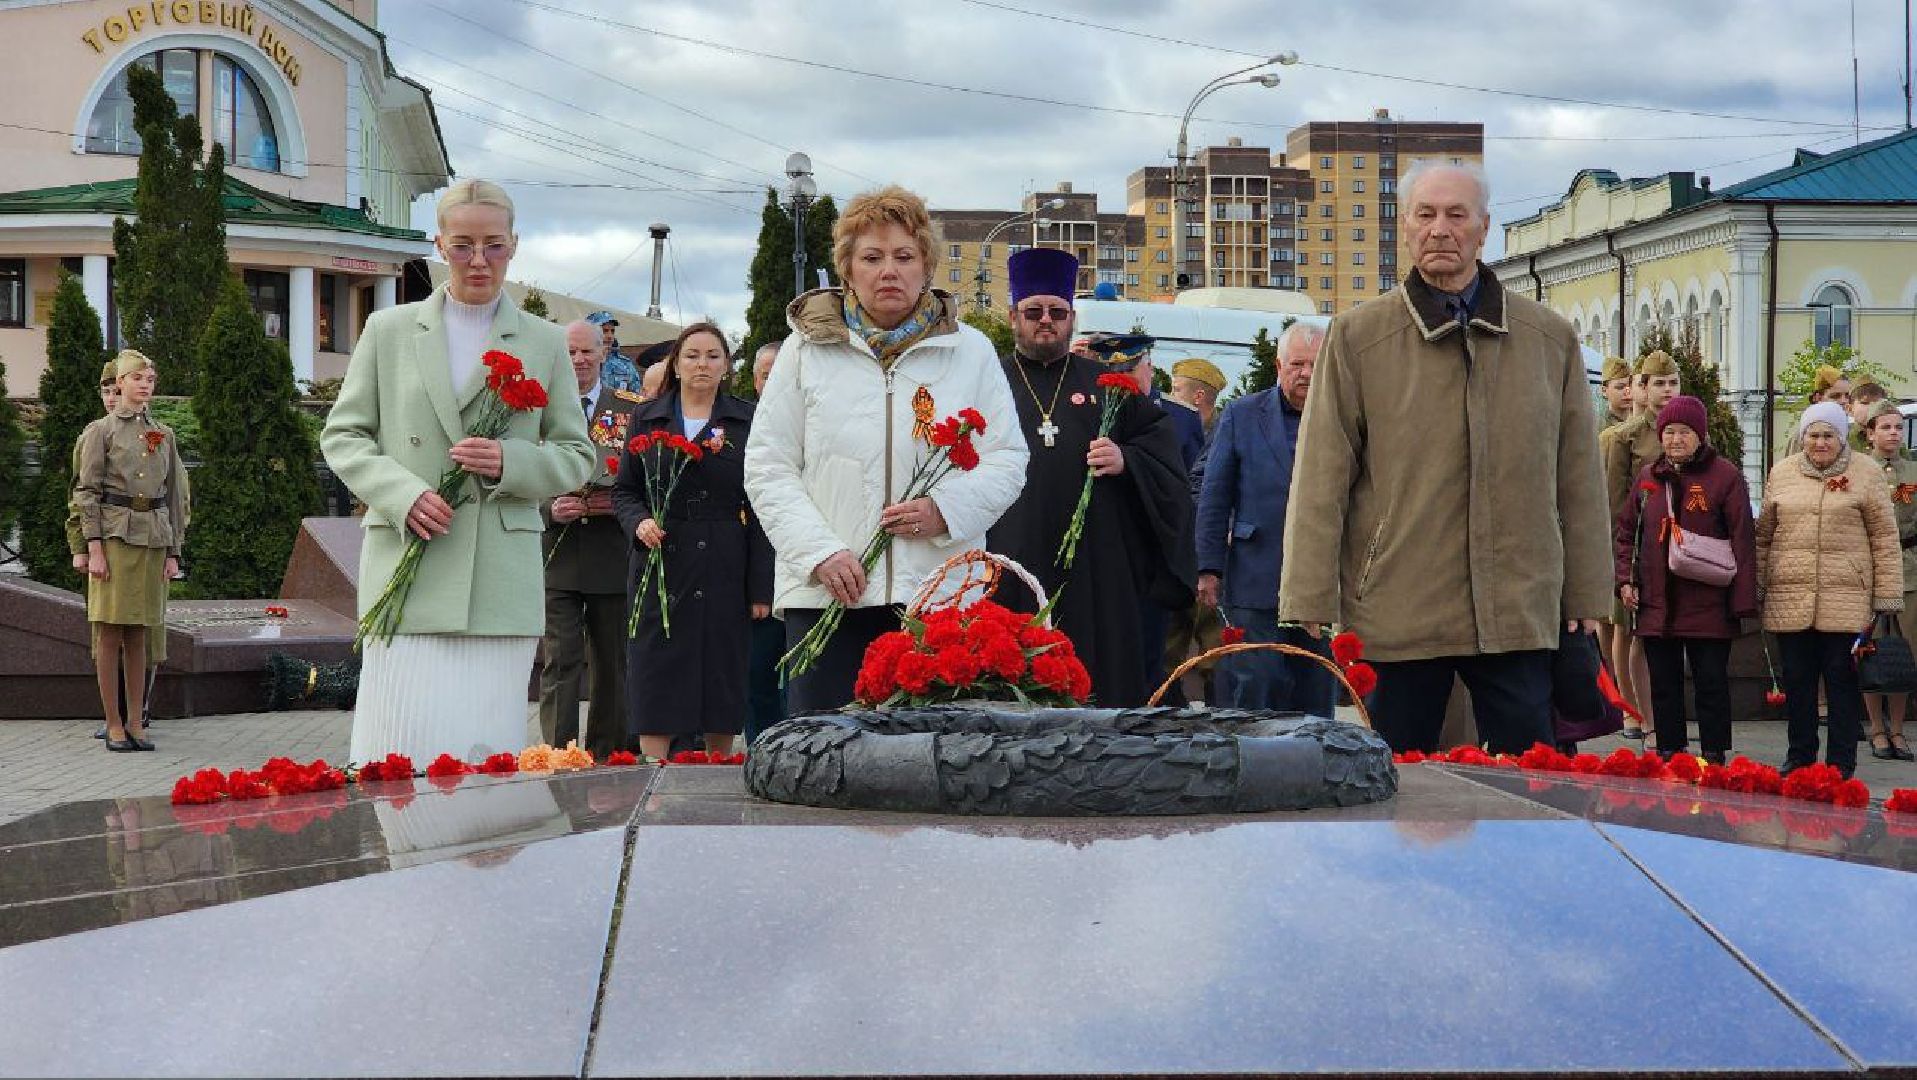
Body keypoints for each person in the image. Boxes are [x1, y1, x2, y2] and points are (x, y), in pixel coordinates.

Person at [1278, 161, 1611, 754]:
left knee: (1535, 787)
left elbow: (1579, 477)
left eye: (1456, 215)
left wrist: (1586, 592)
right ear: (1404, 227)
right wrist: (1308, 592)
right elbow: (1322, 474)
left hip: (1518, 607)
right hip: (1399, 608)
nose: (1440, 229)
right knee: (1396, 786)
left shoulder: (1547, 339)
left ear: (1483, 229)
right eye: (1425, 214)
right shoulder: (1358, 338)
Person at [322, 179, 593, 764]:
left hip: (498, 581)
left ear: (514, 245)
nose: (479, 261)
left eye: (493, 245)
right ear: (439, 246)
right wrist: (401, 494)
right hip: (408, 572)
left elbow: (577, 454)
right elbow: (343, 436)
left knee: (481, 755)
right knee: (392, 753)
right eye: (464, 244)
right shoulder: (388, 330)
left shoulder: (545, 342)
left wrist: (510, 462)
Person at [745, 185, 1028, 714]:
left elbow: (1008, 459)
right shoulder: (805, 350)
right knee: (824, 760)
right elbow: (768, 465)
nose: (889, 271)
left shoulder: (971, 351)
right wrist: (820, 552)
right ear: (848, 268)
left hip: (938, 595)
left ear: (928, 265)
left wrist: (946, 511)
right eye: (871, 257)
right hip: (830, 594)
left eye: (904, 256)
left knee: (934, 762)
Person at [986, 248, 1196, 708]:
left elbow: (1162, 455)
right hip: (1007, 565)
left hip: (1094, 574)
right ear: (1013, 317)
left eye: (1057, 312)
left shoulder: (1104, 385)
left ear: (1071, 318)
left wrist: (1127, 458)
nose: (1046, 321)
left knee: (1096, 690)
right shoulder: (987, 382)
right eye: (1034, 311)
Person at [614, 323, 771, 760]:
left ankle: (717, 771)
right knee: (656, 670)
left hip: (723, 560)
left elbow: (762, 504)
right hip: (661, 561)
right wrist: (639, 522)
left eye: (713, 356)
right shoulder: (648, 417)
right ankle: (654, 773)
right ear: (676, 365)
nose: (702, 364)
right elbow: (625, 490)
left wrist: (761, 586)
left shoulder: (746, 420)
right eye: (692, 355)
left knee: (720, 671)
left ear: (727, 366)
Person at [1756, 402, 1903, 778]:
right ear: (1802, 437)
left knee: (1841, 681)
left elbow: (1885, 538)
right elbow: (1764, 539)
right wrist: (1757, 585)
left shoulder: (1866, 473)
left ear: (1842, 438)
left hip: (1847, 597)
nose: (1820, 443)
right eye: (1813, 435)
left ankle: (1841, 763)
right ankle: (1800, 755)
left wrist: (1886, 596)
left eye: (1828, 436)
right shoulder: (1783, 472)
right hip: (1791, 595)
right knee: (1799, 682)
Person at [1197, 322, 1333, 714]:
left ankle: (1312, 767)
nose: (1306, 373)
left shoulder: (1346, 416)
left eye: (1315, 364)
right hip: (1254, 572)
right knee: (1252, 682)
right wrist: (1208, 568)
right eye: (1297, 364)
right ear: (1278, 365)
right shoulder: (1242, 414)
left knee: (1314, 686)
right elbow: (1215, 494)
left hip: (1321, 582)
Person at [1614, 396, 1758, 764]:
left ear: (1700, 435)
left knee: (1710, 681)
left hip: (1708, 602)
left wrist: (1743, 602)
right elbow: (1626, 533)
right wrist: (1624, 581)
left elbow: (1743, 539)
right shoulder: (1648, 477)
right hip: (1657, 601)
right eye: (1670, 432)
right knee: (1663, 683)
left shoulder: (1725, 476)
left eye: (1685, 432)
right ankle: (1670, 751)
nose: (1676, 439)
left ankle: (1713, 753)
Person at [73, 350, 187, 753]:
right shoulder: (100, 432)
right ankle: (114, 723)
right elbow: (86, 493)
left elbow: (172, 498)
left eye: (151, 379)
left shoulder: (164, 435)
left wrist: (174, 551)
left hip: (153, 538)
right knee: (109, 632)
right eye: (137, 377)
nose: (145, 384)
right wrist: (93, 548)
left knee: (140, 632)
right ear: (119, 383)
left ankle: (138, 722)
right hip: (115, 539)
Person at [538, 320, 642, 758]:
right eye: (571, 352)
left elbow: (643, 480)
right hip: (556, 557)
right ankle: (559, 754)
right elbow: (523, 471)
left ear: (604, 352)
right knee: (560, 660)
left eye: (587, 351)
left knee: (611, 663)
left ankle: (606, 754)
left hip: (610, 555)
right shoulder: (536, 408)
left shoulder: (632, 409)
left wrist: (618, 503)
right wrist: (548, 506)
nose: (579, 360)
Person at [1603, 349, 1680, 738]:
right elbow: (1616, 501)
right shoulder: (1626, 437)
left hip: (1678, 547)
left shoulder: (1690, 427)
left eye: (1673, 383)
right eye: (1659, 384)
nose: (1667, 391)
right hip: (1636, 545)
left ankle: (1660, 710)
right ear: (1642, 389)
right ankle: (1631, 709)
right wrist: (1622, 555)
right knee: (1626, 628)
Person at [1860, 398, 1917, 761]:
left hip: (1909, 567)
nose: (1893, 433)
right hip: (1869, 568)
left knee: (1905, 653)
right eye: (1885, 427)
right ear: (1870, 433)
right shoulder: (1860, 470)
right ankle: (1876, 729)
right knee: (1872, 650)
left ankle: (1897, 729)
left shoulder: (1913, 472)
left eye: (1898, 426)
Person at [744, 340, 787, 744]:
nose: (772, 382)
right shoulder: (741, 428)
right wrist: (759, 586)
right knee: (757, 681)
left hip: (810, 577)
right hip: (759, 584)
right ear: (756, 381)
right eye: (765, 375)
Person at [1169, 358, 1227, 438]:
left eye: (1176, 390)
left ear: (1199, 396)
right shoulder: (1172, 428)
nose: (1170, 395)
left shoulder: (1225, 437)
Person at [588, 311, 642, 395]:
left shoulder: (625, 365)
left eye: (612, 331)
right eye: (604, 331)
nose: (610, 336)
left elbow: (637, 397)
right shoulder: (581, 361)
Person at [1849, 382, 1888, 452]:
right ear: (1849, 409)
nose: (1872, 408)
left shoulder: (1891, 438)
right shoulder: (1842, 441)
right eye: (1865, 403)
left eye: (1877, 403)